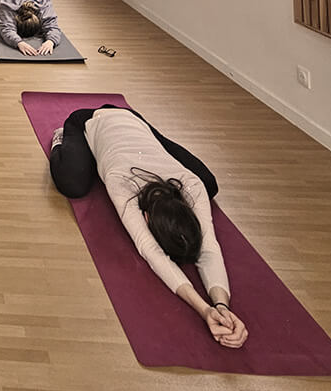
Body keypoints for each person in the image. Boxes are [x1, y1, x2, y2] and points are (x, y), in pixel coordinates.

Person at [49, 105, 248, 349]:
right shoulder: (122, 183)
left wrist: (220, 306)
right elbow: (152, 252)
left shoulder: (191, 184)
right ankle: (62, 139)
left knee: (209, 184)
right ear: (145, 217)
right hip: (91, 120)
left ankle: (146, 136)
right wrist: (202, 308)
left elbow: (209, 247)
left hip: (133, 120)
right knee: (72, 183)